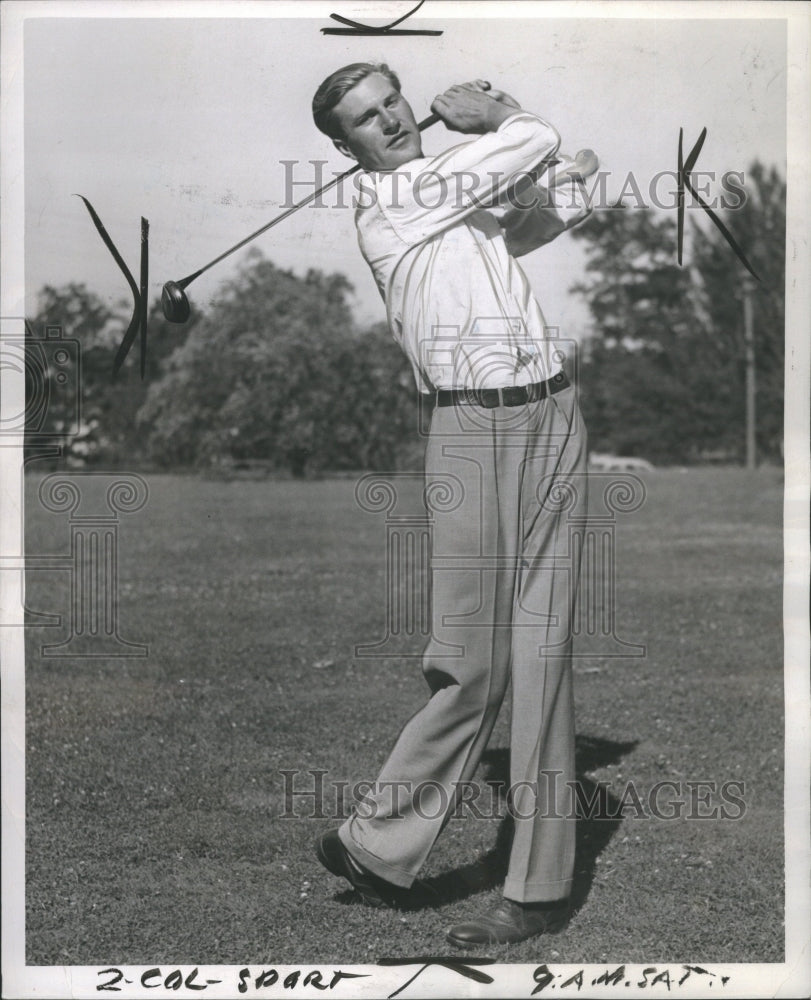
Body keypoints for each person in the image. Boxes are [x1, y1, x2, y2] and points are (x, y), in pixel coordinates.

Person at [311, 62, 596, 947]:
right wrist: (503, 116)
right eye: (365, 118)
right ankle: (378, 841)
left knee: (541, 655)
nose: (389, 119)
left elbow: (533, 220)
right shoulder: (391, 206)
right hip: (471, 434)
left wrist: (560, 184)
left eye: (392, 100)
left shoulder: (449, 203)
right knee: (470, 664)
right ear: (343, 146)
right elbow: (529, 141)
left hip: (552, 413)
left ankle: (536, 890)